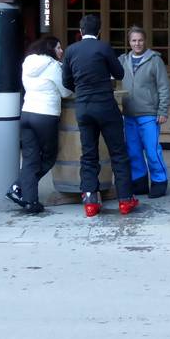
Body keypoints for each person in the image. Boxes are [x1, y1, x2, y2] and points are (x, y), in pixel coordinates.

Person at [61, 14, 136, 217]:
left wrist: (80, 89)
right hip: (105, 106)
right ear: (99, 31)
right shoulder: (104, 48)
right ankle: (125, 200)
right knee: (118, 153)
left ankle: (90, 202)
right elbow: (119, 74)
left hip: (83, 108)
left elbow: (66, 81)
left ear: (81, 31)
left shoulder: (71, 50)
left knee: (88, 154)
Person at [6, 36, 72, 214]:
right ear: (50, 48)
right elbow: (65, 92)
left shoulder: (28, 62)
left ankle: (30, 201)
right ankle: (18, 187)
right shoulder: (53, 66)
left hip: (27, 112)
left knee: (30, 159)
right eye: (58, 48)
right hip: (46, 115)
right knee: (49, 157)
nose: (61, 51)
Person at [120, 26, 170, 198]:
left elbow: (164, 87)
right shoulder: (123, 60)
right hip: (129, 114)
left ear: (145, 41)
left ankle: (159, 181)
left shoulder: (155, 60)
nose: (137, 43)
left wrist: (162, 110)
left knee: (152, 150)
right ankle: (139, 182)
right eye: (134, 40)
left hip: (149, 114)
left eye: (140, 40)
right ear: (129, 42)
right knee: (133, 151)